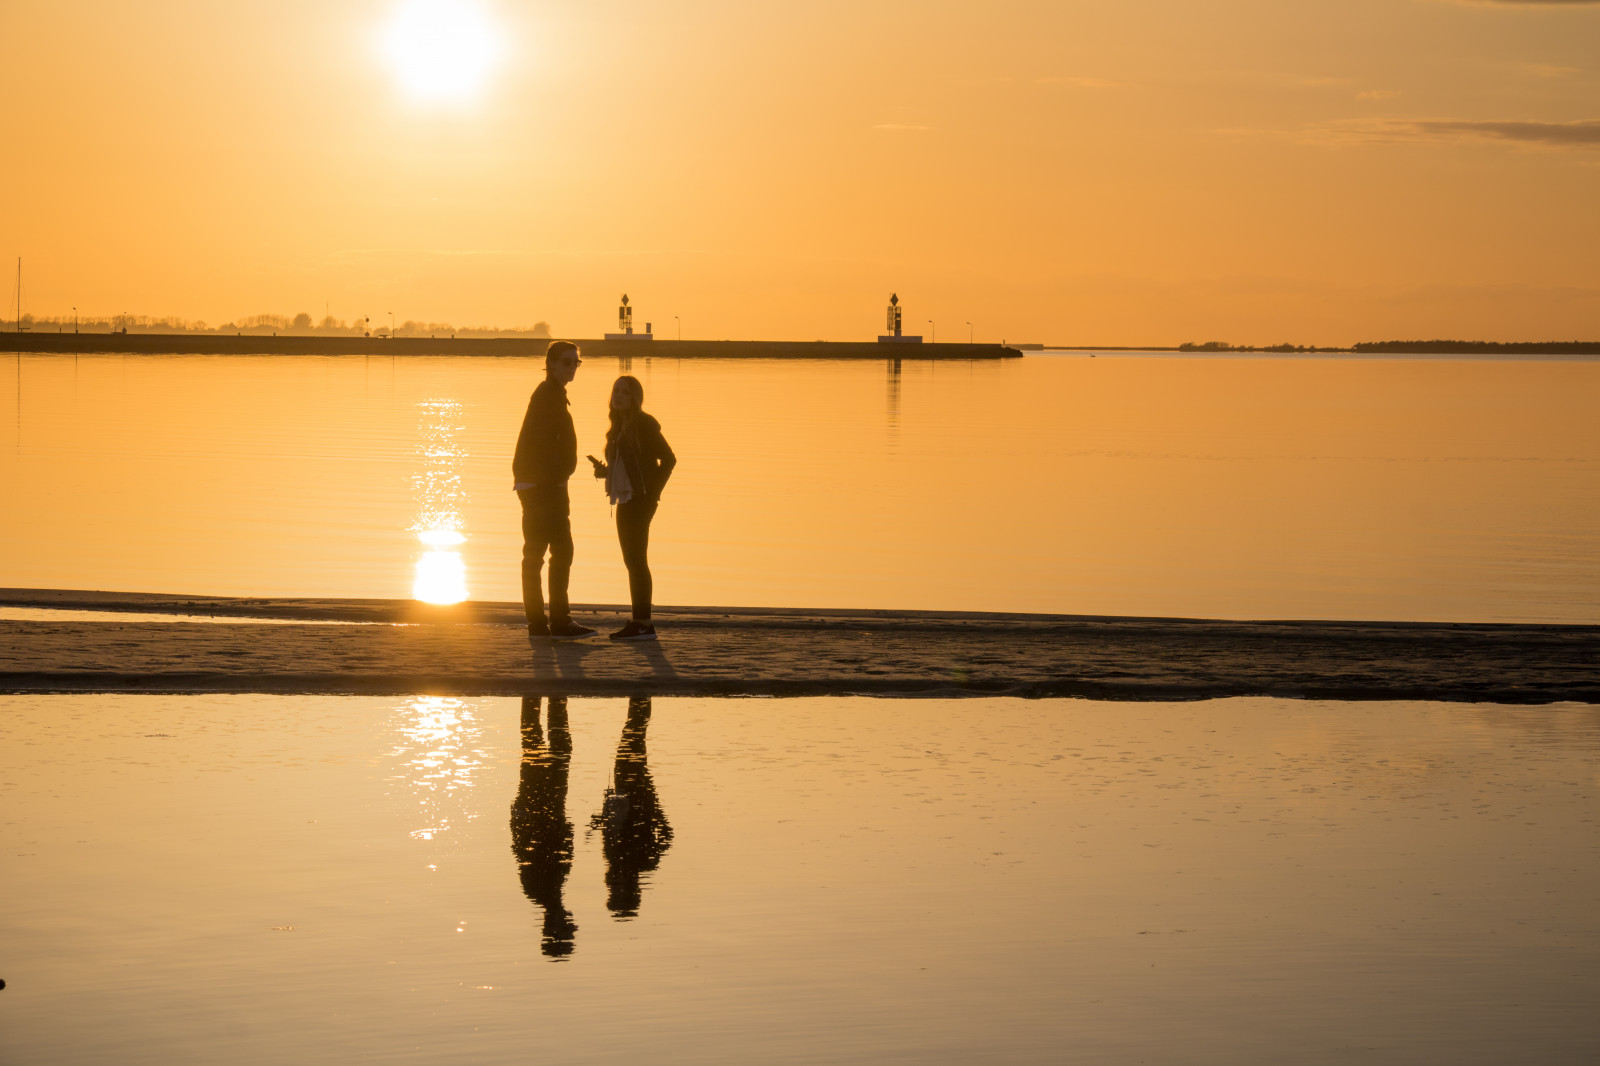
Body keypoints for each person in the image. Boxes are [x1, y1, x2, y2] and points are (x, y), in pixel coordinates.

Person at [513, 341, 597, 643]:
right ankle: (553, 622)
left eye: (576, 362)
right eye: (566, 362)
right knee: (554, 551)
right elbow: (543, 446)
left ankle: (542, 623)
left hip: (540, 483)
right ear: (550, 364)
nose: (571, 367)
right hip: (543, 486)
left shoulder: (551, 394)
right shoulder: (549, 396)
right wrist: (555, 480)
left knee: (541, 553)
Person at [587, 375, 676, 641]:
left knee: (636, 562)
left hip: (639, 500)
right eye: (616, 390)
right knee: (632, 562)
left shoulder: (644, 424)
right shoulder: (618, 426)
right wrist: (605, 472)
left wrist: (652, 493)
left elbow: (669, 459)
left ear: (635, 397)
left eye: (625, 392)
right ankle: (640, 621)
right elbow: (628, 467)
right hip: (627, 498)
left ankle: (644, 624)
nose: (619, 395)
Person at [509, 696, 577, 957]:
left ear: (553, 927)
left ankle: (537, 695)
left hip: (539, 802)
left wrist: (520, 812)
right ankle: (553, 698)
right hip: (550, 804)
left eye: (567, 929)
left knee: (535, 743)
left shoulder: (540, 890)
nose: (573, 925)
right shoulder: (549, 891)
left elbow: (523, 847)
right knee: (551, 746)